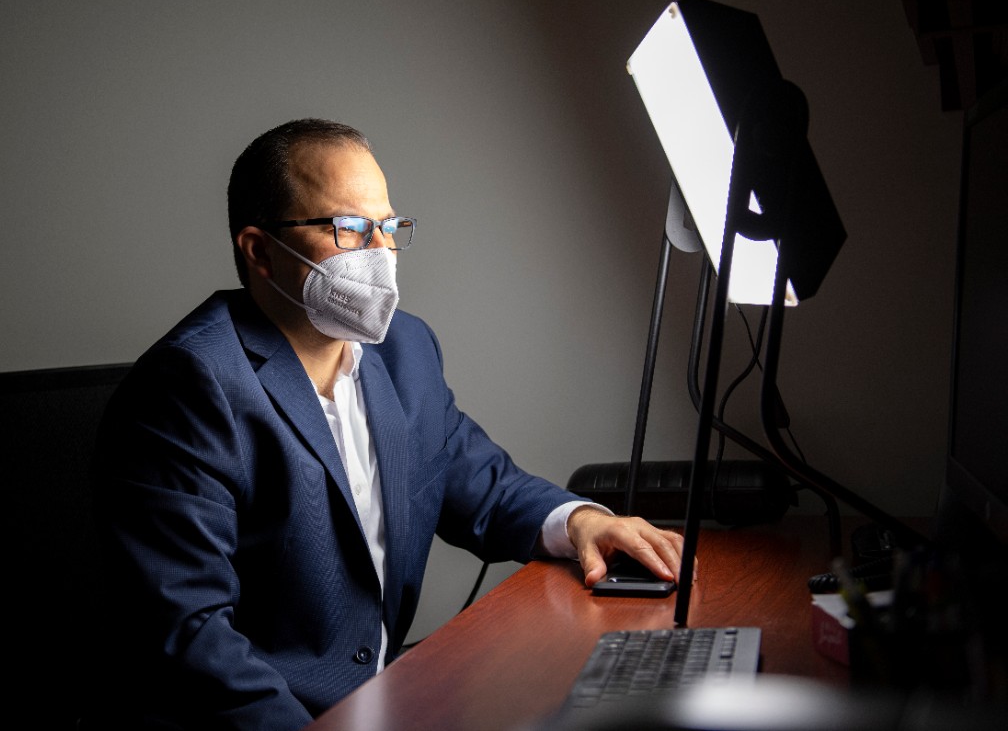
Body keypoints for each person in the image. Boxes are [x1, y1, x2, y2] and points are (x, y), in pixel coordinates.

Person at [88, 119, 684, 729]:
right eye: (348, 227)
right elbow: (188, 638)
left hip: (385, 698)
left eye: (389, 227)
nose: (379, 251)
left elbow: (482, 483)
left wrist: (581, 520)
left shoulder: (405, 350)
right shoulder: (188, 387)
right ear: (260, 250)